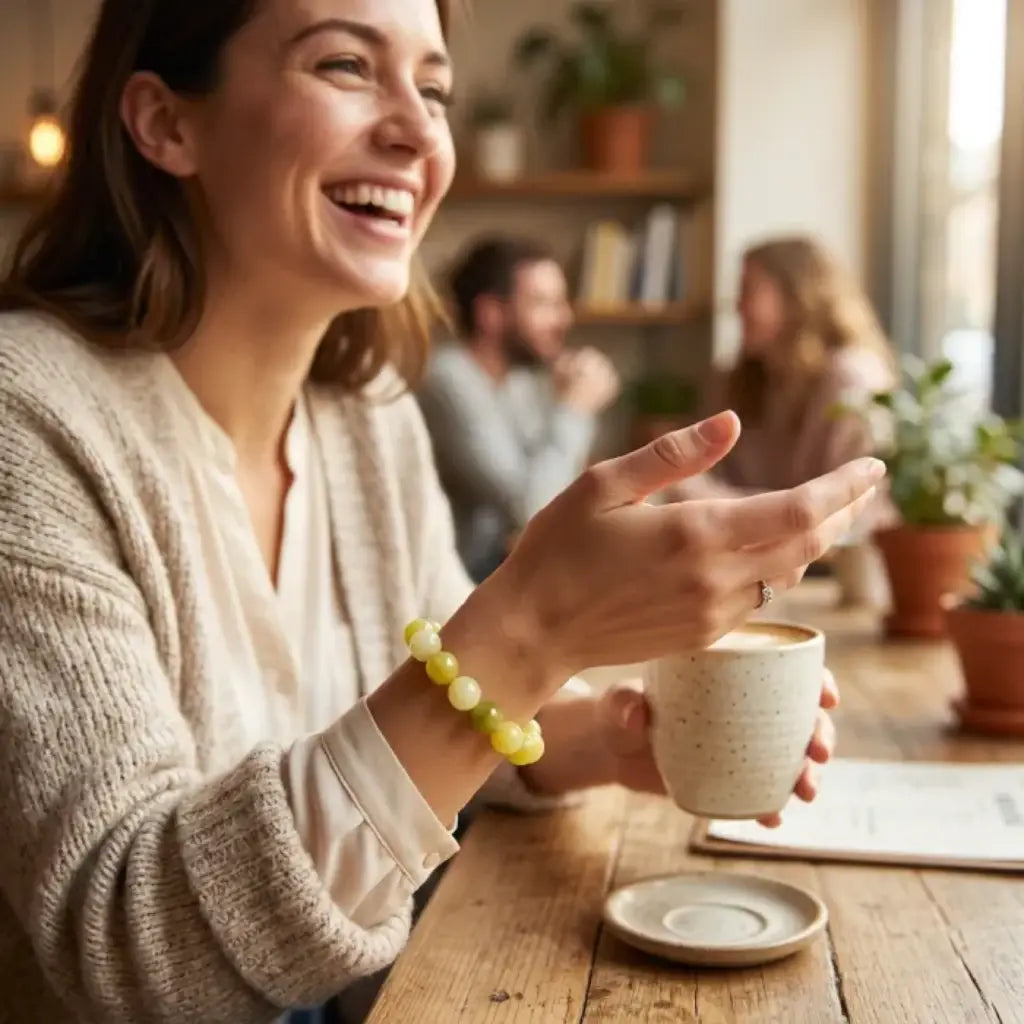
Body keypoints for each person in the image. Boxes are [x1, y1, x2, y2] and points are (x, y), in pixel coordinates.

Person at [0, 2, 882, 1022]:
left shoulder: (365, 420)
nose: (420, 135)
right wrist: (534, 625)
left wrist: (606, 739)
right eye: (344, 64)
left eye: (434, 90)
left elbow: (428, 720)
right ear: (165, 123)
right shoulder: (30, 425)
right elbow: (132, 947)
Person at [418, 235, 619, 580]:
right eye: (545, 304)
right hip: (463, 580)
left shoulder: (520, 382)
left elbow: (556, 493)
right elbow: (532, 509)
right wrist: (575, 409)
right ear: (491, 314)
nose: (564, 319)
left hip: (508, 566)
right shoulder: (448, 380)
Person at [664, 236, 896, 506]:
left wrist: (705, 495)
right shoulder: (737, 380)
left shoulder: (852, 379)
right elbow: (710, 474)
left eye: (748, 291)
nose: (737, 307)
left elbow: (851, 506)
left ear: (797, 295)